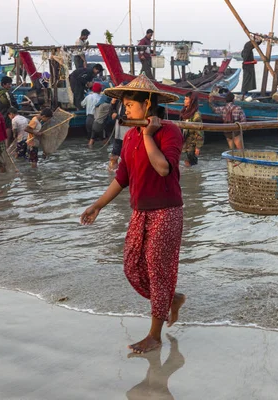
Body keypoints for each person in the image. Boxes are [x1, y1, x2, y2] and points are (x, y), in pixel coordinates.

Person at [80, 74, 185, 354]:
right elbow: (122, 178)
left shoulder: (170, 132)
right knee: (133, 268)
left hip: (166, 211)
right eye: (124, 105)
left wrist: (149, 135)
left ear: (147, 105)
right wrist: (98, 205)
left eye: (129, 105)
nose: (125, 110)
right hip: (140, 212)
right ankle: (171, 299)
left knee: (157, 270)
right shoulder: (129, 137)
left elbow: (163, 168)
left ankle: (154, 335)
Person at [180, 92, 204, 167]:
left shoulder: (196, 115)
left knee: (192, 162)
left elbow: (200, 132)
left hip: (192, 142)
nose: (184, 101)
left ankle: (195, 177)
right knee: (187, 161)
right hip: (185, 141)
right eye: (184, 99)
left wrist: (198, 147)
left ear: (192, 101)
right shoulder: (185, 111)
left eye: (186, 99)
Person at [0, 76, 18, 143]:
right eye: (9, 84)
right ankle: (7, 145)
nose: (10, 86)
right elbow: (14, 105)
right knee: (8, 128)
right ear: (4, 84)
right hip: (7, 115)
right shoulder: (8, 94)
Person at [108, 96, 128, 171]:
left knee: (127, 156)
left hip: (127, 133)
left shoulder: (130, 104)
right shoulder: (119, 102)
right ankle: (112, 173)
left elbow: (131, 118)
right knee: (114, 157)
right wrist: (112, 103)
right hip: (118, 133)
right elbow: (111, 113)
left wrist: (117, 116)